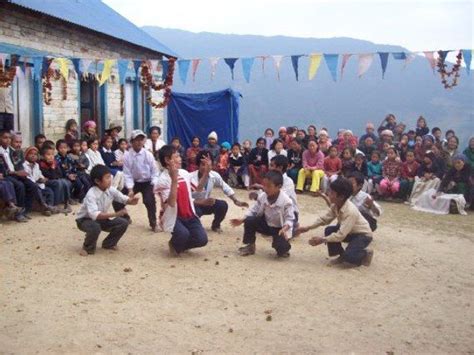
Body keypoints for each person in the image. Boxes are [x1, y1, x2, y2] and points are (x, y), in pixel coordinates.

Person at [296, 177, 374, 267]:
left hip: (363, 235)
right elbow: (324, 219)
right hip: (350, 232)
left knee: (350, 257)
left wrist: (322, 240)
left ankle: (365, 253)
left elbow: (341, 235)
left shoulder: (350, 211)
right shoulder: (336, 204)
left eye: (332, 193)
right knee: (329, 230)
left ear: (341, 197)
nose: (329, 194)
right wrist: (307, 228)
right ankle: (342, 256)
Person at [155, 145, 208, 256]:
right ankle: (174, 243)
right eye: (177, 156)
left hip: (189, 214)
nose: (180, 158)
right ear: (167, 160)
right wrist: (174, 180)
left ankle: (180, 245)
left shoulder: (184, 173)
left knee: (202, 239)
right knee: (183, 234)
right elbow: (171, 203)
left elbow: (198, 189)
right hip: (174, 217)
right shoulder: (163, 180)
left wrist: (206, 172)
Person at [75, 165, 139, 255]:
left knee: (123, 222)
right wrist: (116, 214)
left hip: (100, 219)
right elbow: (95, 215)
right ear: (97, 181)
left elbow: (124, 199)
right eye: (107, 178)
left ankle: (109, 244)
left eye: (110, 177)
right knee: (95, 227)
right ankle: (87, 248)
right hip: (85, 220)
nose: (110, 180)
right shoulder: (91, 194)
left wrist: (133, 201)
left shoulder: (110, 190)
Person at [231, 171, 294, 258]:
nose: (265, 188)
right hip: (266, 224)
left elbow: (290, 219)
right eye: (264, 185)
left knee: (282, 248)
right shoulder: (263, 196)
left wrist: (285, 228)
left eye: (269, 186)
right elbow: (254, 210)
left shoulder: (287, 201)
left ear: (279, 187)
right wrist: (242, 219)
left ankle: (284, 249)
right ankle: (250, 246)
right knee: (249, 220)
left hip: (280, 229)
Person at [114, 130, 160, 231]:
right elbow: (127, 173)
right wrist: (130, 188)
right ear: (131, 142)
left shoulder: (148, 154)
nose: (139, 142)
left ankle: (153, 223)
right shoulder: (127, 156)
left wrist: (153, 185)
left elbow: (155, 172)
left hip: (147, 182)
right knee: (117, 200)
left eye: (141, 140)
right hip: (134, 182)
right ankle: (125, 217)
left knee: (149, 201)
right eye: (136, 140)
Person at [191, 151, 248, 233]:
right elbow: (187, 200)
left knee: (222, 205)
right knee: (196, 213)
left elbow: (225, 187)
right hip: (194, 206)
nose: (206, 167)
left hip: (207, 203)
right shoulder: (190, 177)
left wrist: (235, 200)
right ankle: (193, 226)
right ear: (198, 165)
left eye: (208, 165)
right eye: (203, 165)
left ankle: (216, 225)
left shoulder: (214, 175)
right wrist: (201, 202)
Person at [0, 130, 28, 221]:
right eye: (5, 138)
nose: (8, 140)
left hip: (13, 174)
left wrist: (20, 172)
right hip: (7, 175)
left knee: (30, 183)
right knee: (19, 185)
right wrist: (15, 173)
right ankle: (17, 212)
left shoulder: (12, 151)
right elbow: (4, 170)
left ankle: (23, 211)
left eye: (9, 138)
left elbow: (18, 164)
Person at [22, 146, 55, 216]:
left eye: (35, 154)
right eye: (31, 154)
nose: (33, 156)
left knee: (49, 191)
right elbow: (28, 178)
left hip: (38, 184)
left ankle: (49, 207)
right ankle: (44, 206)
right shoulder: (23, 165)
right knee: (37, 189)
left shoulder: (36, 165)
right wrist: (37, 181)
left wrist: (43, 179)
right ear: (26, 155)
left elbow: (39, 174)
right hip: (30, 185)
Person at [39, 145, 72, 213]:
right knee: (58, 183)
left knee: (65, 182)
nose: (51, 156)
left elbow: (59, 174)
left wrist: (53, 169)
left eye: (52, 154)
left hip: (54, 179)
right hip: (45, 182)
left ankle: (67, 201)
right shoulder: (42, 164)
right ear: (43, 156)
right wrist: (52, 168)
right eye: (48, 155)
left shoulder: (55, 163)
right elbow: (49, 176)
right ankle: (55, 204)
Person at [55, 139, 81, 205]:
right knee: (68, 184)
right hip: (63, 176)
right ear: (57, 149)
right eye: (61, 148)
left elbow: (74, 166)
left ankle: (75, 197)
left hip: (71, 175)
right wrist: (68, 175)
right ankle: (68, 198)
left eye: (65, 148)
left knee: (78, 183)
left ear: (67, 148)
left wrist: (74, 174)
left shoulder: (69, 157)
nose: (63, 150)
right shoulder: (57, 159)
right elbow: (60, 170)